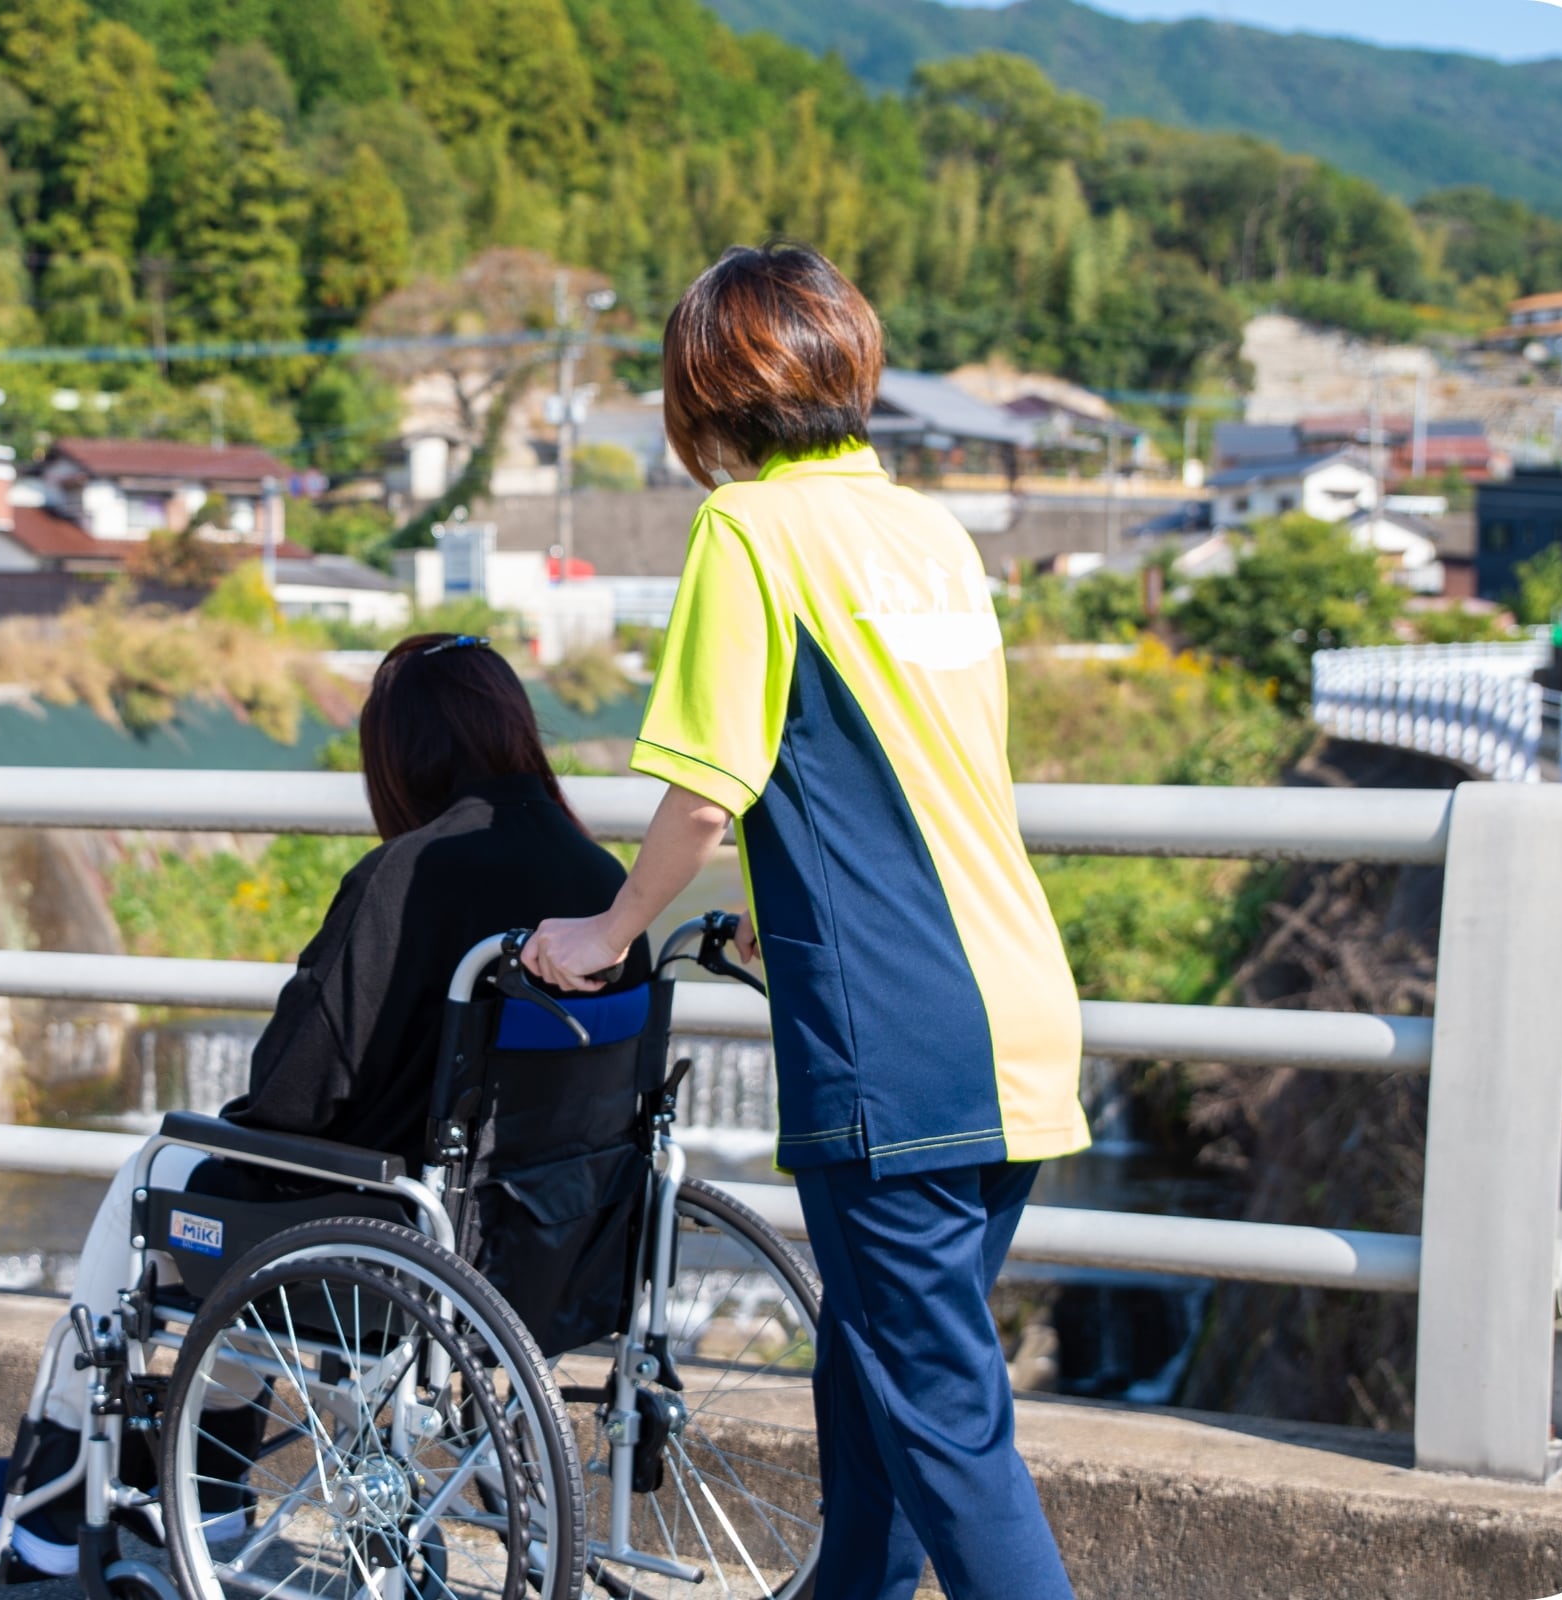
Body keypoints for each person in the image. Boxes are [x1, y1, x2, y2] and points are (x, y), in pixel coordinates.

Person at [520, 241, 1086, 1600]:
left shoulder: (752, 530)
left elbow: (709, 790)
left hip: (895, 1036)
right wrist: (787, 915)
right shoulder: (928, 532)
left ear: (704, 390)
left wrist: (608, 931)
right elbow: (917, 773)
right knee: (877, 1380)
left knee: (944, 1422)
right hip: (1018, 1010)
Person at [0, 631, 645, 1579]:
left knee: (172, 1172)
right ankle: (205, 1485)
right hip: (549, 1242)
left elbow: (296, 1089)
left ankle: (55, 1481)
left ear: (403, 754)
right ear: (512, 727)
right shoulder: (599, 881)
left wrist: (244, 1133)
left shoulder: (406, 875)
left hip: (402, 1246)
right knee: (241, 1201)